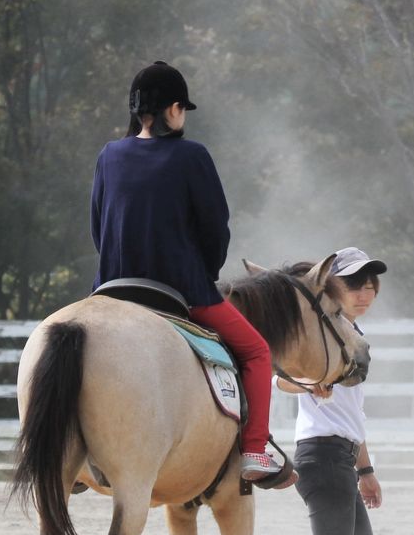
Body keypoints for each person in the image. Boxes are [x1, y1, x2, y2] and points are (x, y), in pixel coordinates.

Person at [90, 60, 294, 487]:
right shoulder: (192, 155)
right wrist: (206, 275)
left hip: (111, 291)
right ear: (173, 109)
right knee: (257, 353)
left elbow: (97, 225)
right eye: (182, 108)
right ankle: (256, 451)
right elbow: (215, 228)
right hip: (181, 291)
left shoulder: (109, 155)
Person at [275, 247, 387, 535]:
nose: (365, 292)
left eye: (370, 285)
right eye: (355, 284)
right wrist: (308, 382)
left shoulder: (351, 336)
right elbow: (280, 377)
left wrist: (367, 470)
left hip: (343, 455)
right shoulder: (315, 334)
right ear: (331, 286)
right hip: (320, 455)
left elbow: (353, 415)